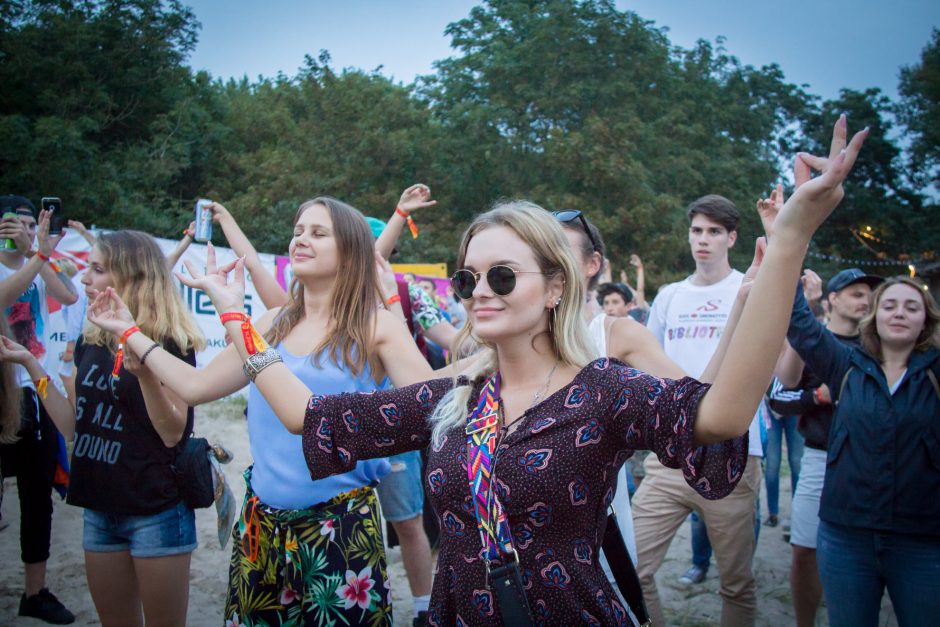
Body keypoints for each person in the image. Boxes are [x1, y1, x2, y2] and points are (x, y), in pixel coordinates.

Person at [143, 119, 864, 625]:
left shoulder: (602, 388)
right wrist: (238, 320)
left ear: (555, 287)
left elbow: (724, 414)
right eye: (466, 277)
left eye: (500, 274)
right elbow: (312, 416)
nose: (479, 289)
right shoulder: (455, 397)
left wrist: (793, 236)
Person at [88, 196, 440, 626]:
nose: (300, 240)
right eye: (297, 231)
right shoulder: (274, 322)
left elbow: (433, 408)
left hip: (338, 528)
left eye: (317, 233)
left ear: (349, 250)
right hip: (261, 526)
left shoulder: (375, 326)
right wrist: (130, 331)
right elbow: (196, 387)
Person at [2, 230, 205, 626]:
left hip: (156, 509)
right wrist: (31, 364)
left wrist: (144, 374)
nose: (84, 279)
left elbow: (172, 433)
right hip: (98, 507)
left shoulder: (170, 343)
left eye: (96, 270)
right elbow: (72, 427)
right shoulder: (90, 339)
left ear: (129, 277)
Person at [632, 194, 766, 625]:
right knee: (631, 568)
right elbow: (647, 366)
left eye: (713, 231)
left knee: (736, 583)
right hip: (669, 455)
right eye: (696, 231)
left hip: (732, 453)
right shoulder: (670, 296)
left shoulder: (750, 287)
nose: (702, 240)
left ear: (732, 237)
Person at [782, 271, 938, 627]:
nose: (899, 313)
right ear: (875, 316)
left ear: (926, 319)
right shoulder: (847, 364)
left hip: (922, 539)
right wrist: (786, 242)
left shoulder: (935, 374)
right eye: (890, 305)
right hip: (846, 535)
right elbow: (799, 323)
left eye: (911, 307)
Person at [772, 266, 879, 627]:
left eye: (869, 295)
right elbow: (780, 395)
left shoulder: (880, 345)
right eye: (856, 293)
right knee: (805, 549)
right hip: (821, 455)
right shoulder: (815, 341)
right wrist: (819, 395)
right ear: (832, 299)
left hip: (872, 460)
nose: (865, 301)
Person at [0, 197, 77, 624]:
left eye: (33, 223)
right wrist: (39, 253)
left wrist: (37, 251)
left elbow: (68, 294)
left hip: (38, 390)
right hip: (3, 393)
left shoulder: (38, 261)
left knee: (38, 498)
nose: (26, 229)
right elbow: (4, 296)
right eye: (17, 223)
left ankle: (34, 591)